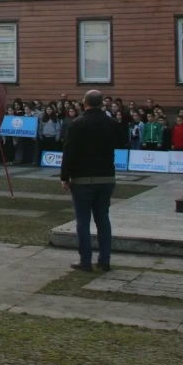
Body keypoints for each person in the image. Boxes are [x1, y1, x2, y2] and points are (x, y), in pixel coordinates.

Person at [60, 90, 120, 272]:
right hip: (106, 176)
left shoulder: (77, 123)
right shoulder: (112, 123)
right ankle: (105, 260)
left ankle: (85, 261)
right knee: (103, 219)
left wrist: (64, 177)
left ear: (84, 103)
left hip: (82, 178)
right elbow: (119, 143)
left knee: (83, 221)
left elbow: (68, 151)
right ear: (103, 103)